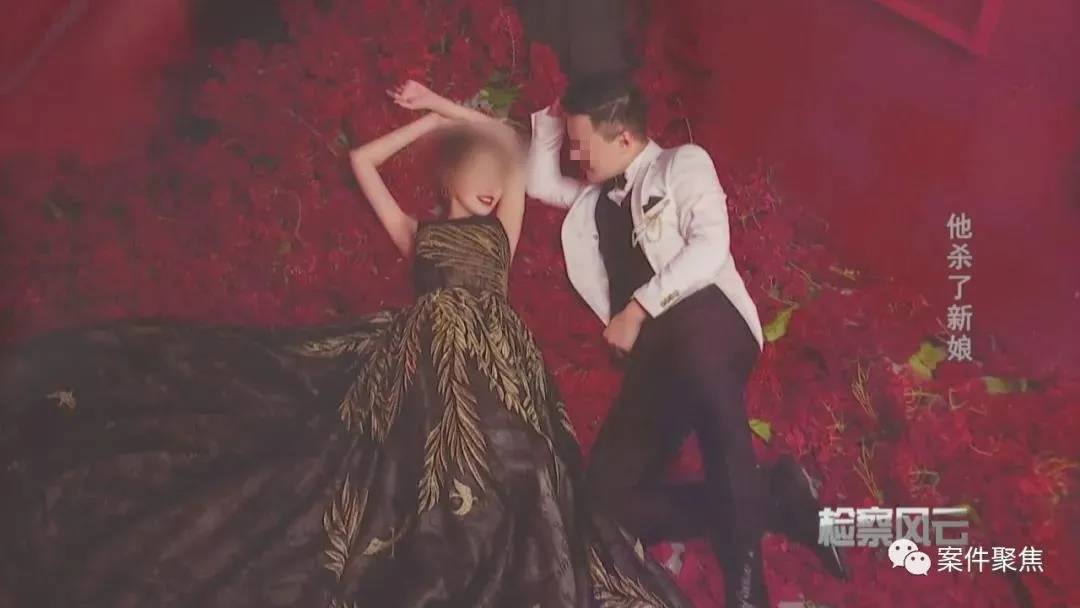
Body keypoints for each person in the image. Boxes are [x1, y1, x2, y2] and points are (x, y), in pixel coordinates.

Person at [0, 80, 691, 608]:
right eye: (472, 172)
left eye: (491, 176)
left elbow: (506, 146)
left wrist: (443, 106)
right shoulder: (418, 234)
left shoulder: (502, 229)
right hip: (421, 356)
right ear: (449, 177)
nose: (488, 183)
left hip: (498, 360)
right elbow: (362, 161)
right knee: (396, 466)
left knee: (528, 470)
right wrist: (425, 128)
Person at [525, 72, 848, 608]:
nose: (575, 156)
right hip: (657, 361)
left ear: (624, 137)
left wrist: (638, 308)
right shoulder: (594, 198)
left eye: (582, 144)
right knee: (605, 504)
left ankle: (747, 585)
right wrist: (552, 116)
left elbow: (709, 246)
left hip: (711, 325)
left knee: (701, 361)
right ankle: (776, 496)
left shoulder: (681, 164)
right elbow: (538, 182)